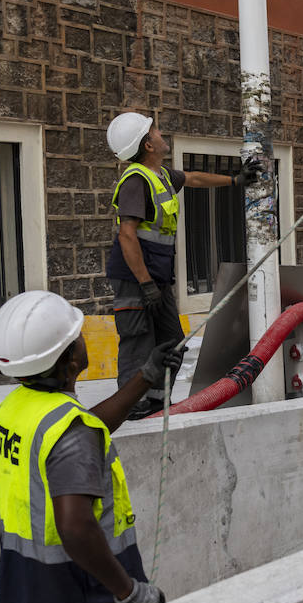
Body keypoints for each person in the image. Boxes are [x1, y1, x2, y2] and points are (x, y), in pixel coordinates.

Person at [0, 290, 183, 603]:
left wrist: (145, 377)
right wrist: (129, 592)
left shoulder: (17, 407)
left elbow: (85, 428)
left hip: (34, 583)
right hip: (83, 591)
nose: (82, 339)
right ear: (70, 361)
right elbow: (75, 527)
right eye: (76, 337)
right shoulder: (69, 432)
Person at [104, 112, 262, 419]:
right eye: (156, 130)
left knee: (173, 342)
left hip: (157, 280)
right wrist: (146, 283)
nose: (162, 133)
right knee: (138, 342)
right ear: (148, 144)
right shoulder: (136, 181)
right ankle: (131, 405)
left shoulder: (160, 175)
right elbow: (127, 235)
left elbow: (193, 178)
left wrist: (235, 180)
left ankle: (156, 400)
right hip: (136, 280)